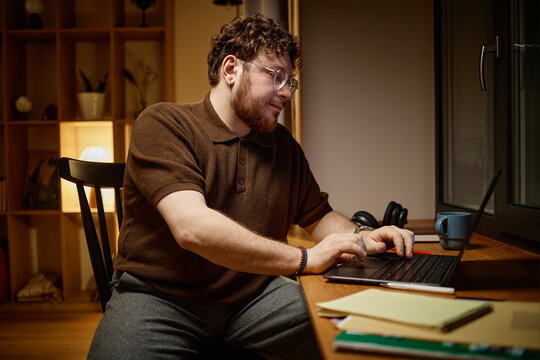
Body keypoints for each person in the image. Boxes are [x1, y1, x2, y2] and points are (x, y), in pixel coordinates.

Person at [88, 14, 414, 360]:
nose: (287, 92)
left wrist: (361, 236)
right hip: (159, 299)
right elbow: (192, 229)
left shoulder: (282, 145)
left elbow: (318, 217)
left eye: (291, 81)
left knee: (366, 331)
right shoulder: (164, 124)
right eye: (276, 76)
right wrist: (305, 259)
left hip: (254, 297)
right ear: (231, 70)